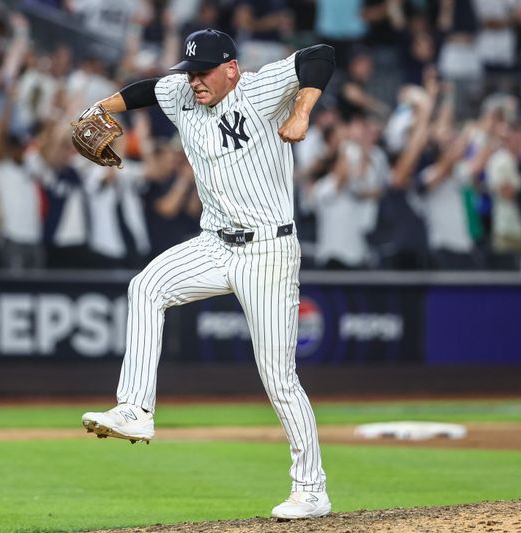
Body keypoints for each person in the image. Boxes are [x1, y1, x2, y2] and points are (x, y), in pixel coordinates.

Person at [78, 29, 335, 519]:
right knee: (146, 286)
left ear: (231, 68)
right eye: (190, 70)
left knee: (278, 378)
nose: (194, 80)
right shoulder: (182, 92)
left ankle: (311, 489)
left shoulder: (259, 89)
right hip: (215, 243)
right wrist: (102, 106)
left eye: (204, 71)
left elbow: (320, 55)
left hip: (268, 251)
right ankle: (135, 409)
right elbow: (145, 89)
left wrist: (301, 111)